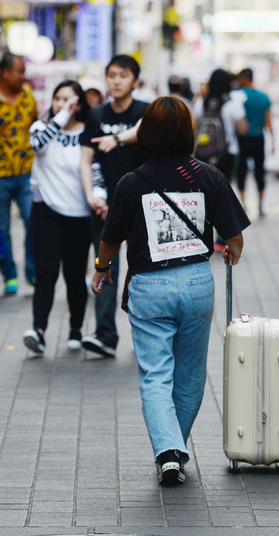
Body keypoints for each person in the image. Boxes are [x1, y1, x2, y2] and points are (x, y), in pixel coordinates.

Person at [91, 96, 250, 486]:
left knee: (155, 374)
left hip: (149, 286)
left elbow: (111, 239)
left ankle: (167, 452)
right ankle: (175, 449)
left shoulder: (133, 182)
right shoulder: (206, 176)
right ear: (187, 132)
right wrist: (232, 252)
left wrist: (101, 268)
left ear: (145, 133)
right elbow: (235, 238)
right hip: (197, 281)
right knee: (192, 374)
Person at [79, 54, 148, 357]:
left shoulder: (145, 111)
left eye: (123, 75)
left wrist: (117, 138)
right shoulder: (96, 114)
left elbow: (145, 129)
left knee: (142, 272)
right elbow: (85, 161)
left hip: (142, 208)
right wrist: (92, 197)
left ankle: (146, 334)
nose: (116, 81)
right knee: (104, 269)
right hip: (105, 207)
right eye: (111, 75)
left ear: (135, 79)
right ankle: (105, 336)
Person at [23, 80, 91, 354]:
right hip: (45, 213)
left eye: (69, 100)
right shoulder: (41, 128)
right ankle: (38, 330)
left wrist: (97, 194)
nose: (62, 104)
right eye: (58, 99)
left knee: (75, 276)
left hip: (79, 215)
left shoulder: (88, 133)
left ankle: (75, 329)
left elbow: (93, 166)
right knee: (46, 274)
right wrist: (62, 115)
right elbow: (38, 145)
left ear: (80, 105)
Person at [0, 51, 38, 295]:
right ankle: (10, 275)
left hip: (27, 174)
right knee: (1, 230)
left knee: (33, 222)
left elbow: (36, 129)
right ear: (5, 73)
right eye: (20, 71)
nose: (24, 76)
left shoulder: (28, 97)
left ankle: (32, 272)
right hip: (0, 175)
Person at [192, 68, 248, 182]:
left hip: (203, 153)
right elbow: (243, 130)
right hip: (228, 152)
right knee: (224, 188)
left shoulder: (202, 103)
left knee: (205, 187)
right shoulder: (233, 104)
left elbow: (192, 128)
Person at [236, 68, 273, 217]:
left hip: (242, 138)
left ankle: (243, 204)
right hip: (259, 137)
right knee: (259, 172)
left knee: (241, 171)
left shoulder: (238, 97)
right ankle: (260, 205)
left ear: (245, 78)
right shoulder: (264, 97)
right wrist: (273, 139)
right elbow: (268, 120)